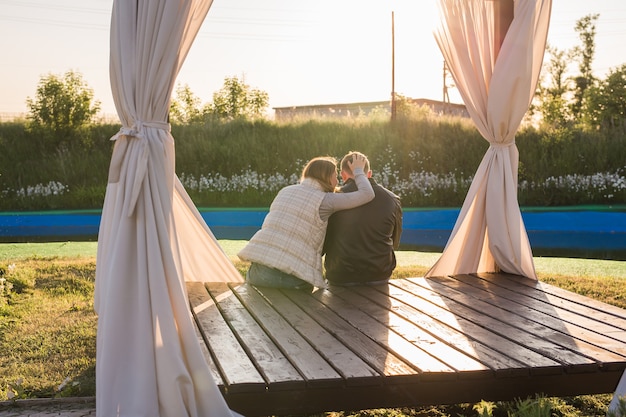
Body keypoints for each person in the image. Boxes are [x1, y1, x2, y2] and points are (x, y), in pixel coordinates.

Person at [237, 153, 375, 290]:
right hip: (294, 280)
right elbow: (367, 194)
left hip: (258, 275)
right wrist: (358, 170)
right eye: (335, 175)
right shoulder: (326, 201)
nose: (337, 181)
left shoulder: (285, 191)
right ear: (327, 177)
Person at [323, 151, 402, 286]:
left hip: (341, 275)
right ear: (369, 174)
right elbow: (395, 242)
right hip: (379, 274)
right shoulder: (392, 199)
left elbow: (325, 240)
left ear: (343, 175)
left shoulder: (334, 198)